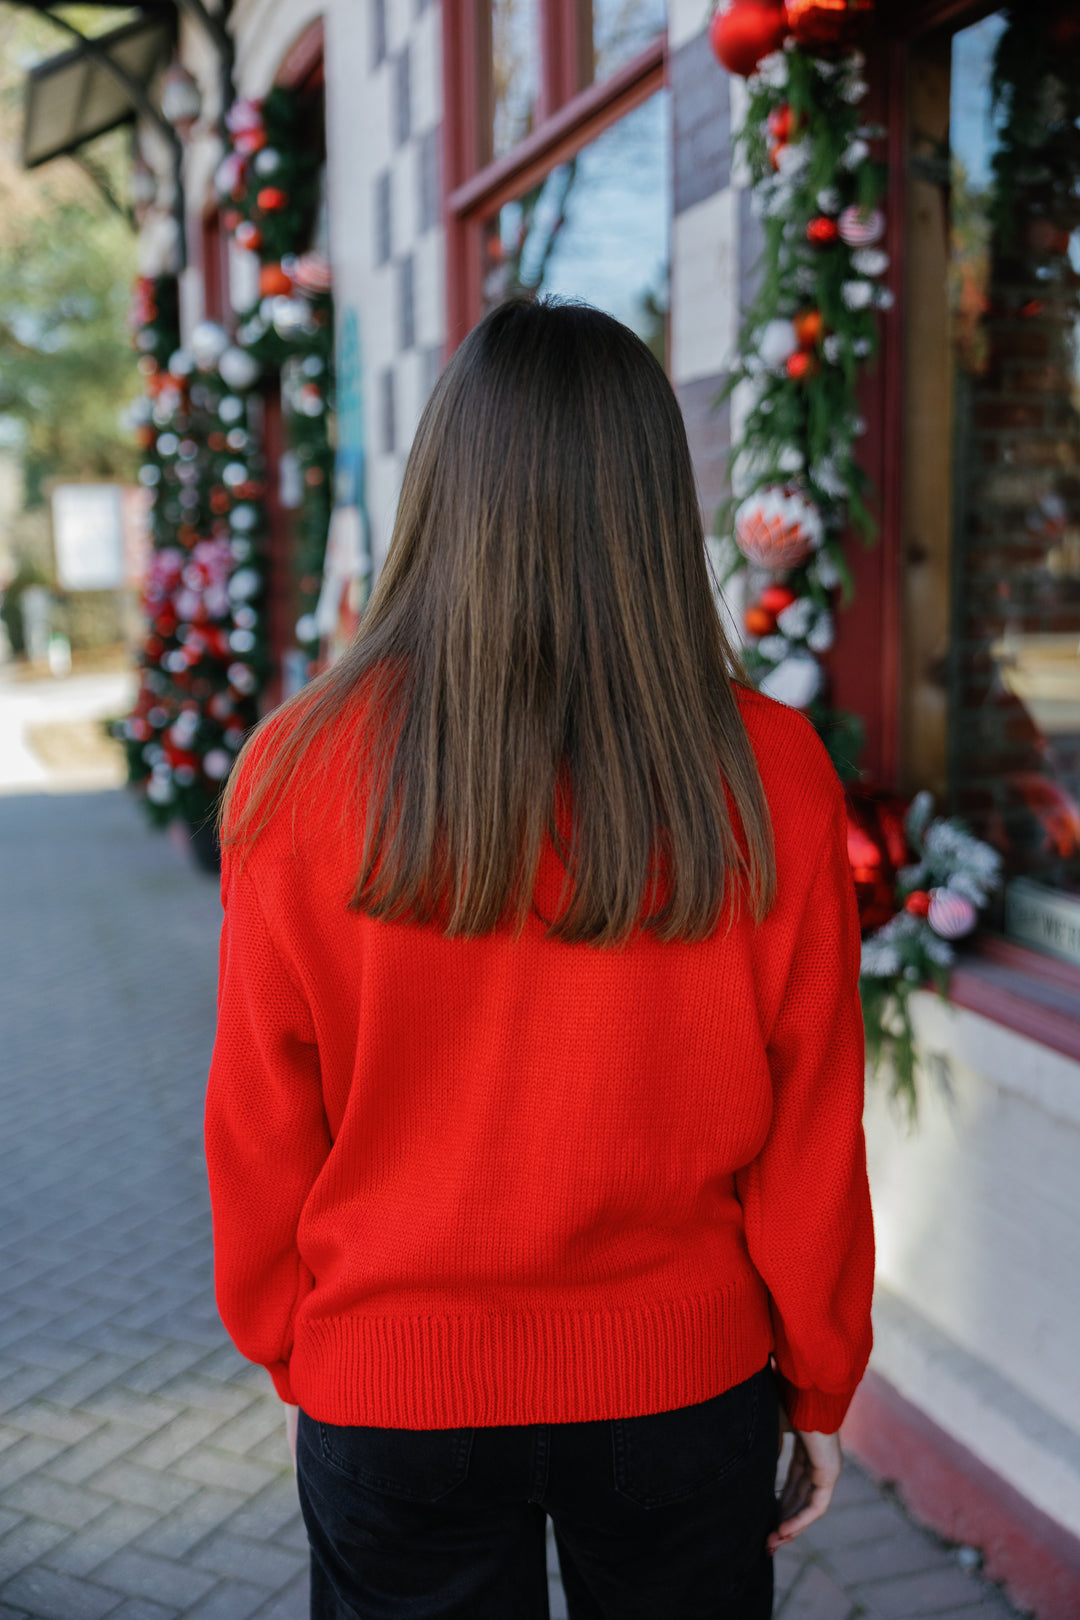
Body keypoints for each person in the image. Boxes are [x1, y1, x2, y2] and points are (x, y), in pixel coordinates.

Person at [205, 296, 875, 1619]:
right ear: (651, 502)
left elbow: (257, 1115)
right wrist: (819, 1378)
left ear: (445, 489)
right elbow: (813, 1118)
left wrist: (304, 1352)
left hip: (392, 1381)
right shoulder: (769, 772)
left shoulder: (299, 770)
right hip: (682, 1388)